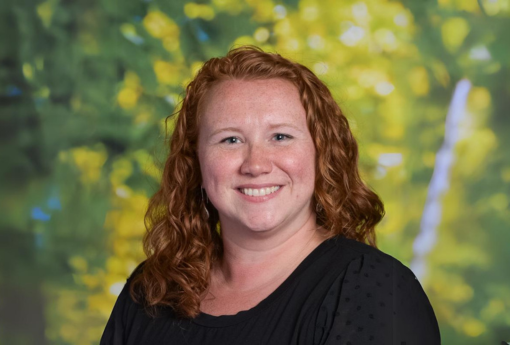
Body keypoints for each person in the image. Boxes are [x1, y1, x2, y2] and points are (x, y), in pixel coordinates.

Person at [100, 46, 441, 344]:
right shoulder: (153, 289)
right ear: (196, 163)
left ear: (321, 154)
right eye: (230, 140)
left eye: (280, 137)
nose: (256, 164)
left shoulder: (371, 289)